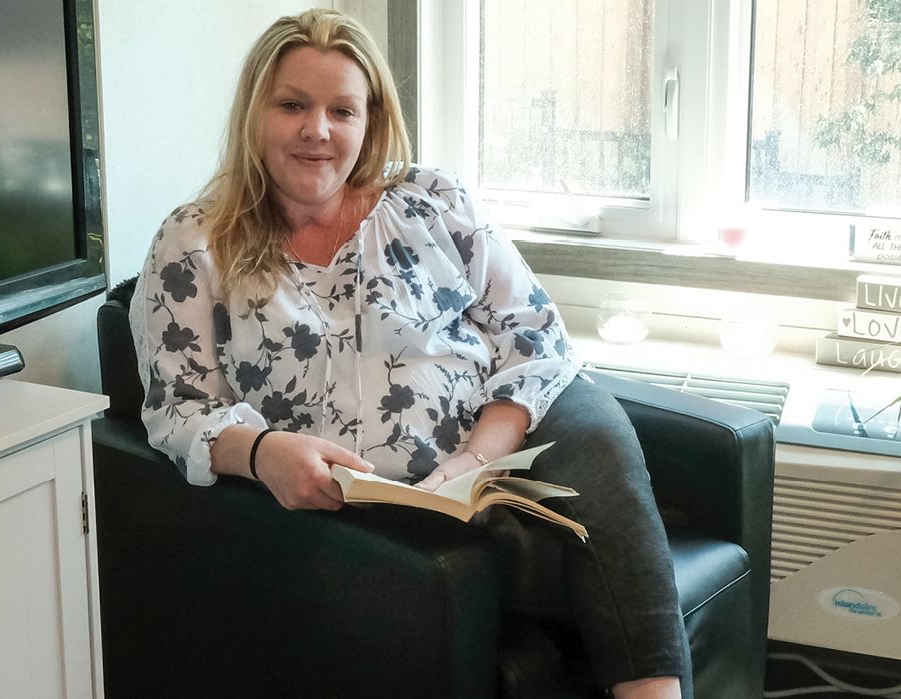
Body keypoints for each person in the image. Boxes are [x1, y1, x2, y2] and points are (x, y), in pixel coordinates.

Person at [129, 9, 688, 699]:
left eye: (342, 110)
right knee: (581, 562)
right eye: (292, 105)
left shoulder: (433, 201)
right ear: (253, 113)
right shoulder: (195, 241)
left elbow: (534, 335)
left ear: (370, 121)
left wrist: (476, 458)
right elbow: (177, 406)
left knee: (599, 439)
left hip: (485, 462)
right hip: (358, 504)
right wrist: (261, 452)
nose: (317, 130)